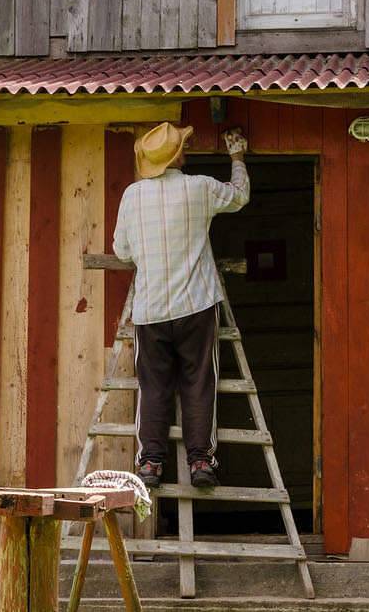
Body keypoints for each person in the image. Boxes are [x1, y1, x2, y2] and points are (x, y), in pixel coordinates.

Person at [112, 122, 250, 489]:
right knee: (199, 382)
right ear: (179, 157)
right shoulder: (200, 187)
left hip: (151, 308)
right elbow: (240, 196)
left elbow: (121, 251)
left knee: (153, 385)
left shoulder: (131, 196)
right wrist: (237, 157)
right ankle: (201, 461)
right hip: (197, 305)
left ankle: (151, 464)